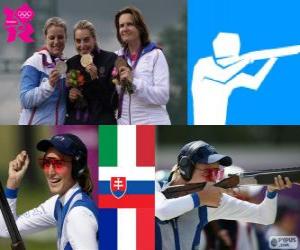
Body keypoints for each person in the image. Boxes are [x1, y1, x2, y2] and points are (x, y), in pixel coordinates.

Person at [155, 140, 293, 250]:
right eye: (208, 172)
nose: (213, 179)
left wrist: (271, 191)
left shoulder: (209, 201)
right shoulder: (148, 184)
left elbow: (264, 217)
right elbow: (162, 211)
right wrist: (201, 197)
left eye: (217, 173)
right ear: (186, 167)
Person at [0, 133, 99, 250]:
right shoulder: (58, 203)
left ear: (77, 167)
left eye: (58, 163)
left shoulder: (78, 215)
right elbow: (6, 230)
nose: (50, 172)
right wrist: (13, 182)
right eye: (47, 163)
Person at [114, 7, 171, 125]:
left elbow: (163, 96)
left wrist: (134, 82)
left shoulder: (156, 55)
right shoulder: (116, 57)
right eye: (121, 25)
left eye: (129, 24)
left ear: (139, 28)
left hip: (150, 124)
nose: (124, 29)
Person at [65, 20, 118, 124]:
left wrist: (95, 78)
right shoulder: (71, 63)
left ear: (94, 39)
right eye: (78, 41)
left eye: (86, 40)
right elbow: (65, 107)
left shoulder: (110, 59)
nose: (82, 45)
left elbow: (113, 103)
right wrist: (70, 98)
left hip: (104, 123)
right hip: (77, 124)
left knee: (111, 141)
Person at [19, 17, 68, 125]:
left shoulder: (66, 66)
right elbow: (25, 100)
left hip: (57, 133)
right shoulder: (33, 63)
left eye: (60, 37)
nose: (56, 41)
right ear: (45, 38)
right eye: (52, 37)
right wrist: (49, 85)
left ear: (66, 38)